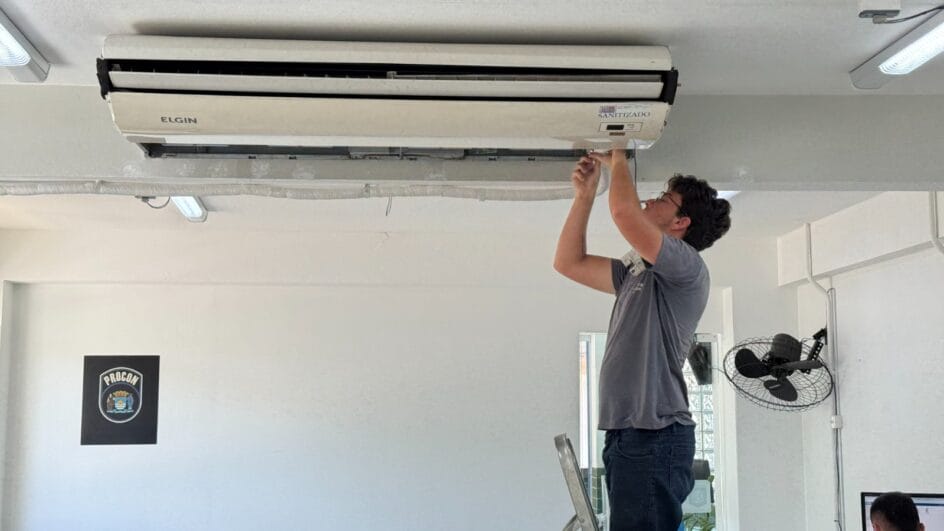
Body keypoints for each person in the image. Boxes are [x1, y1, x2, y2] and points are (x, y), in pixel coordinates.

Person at [553, 149, 731, 531]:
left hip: (654, 435)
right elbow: (569, 262)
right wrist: (584, 196)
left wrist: (618, 156)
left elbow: (624, 213)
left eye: (664, 198)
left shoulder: (687, 266)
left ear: (681, 222)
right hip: (631, 434)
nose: (650, 200)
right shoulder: (637, 272)